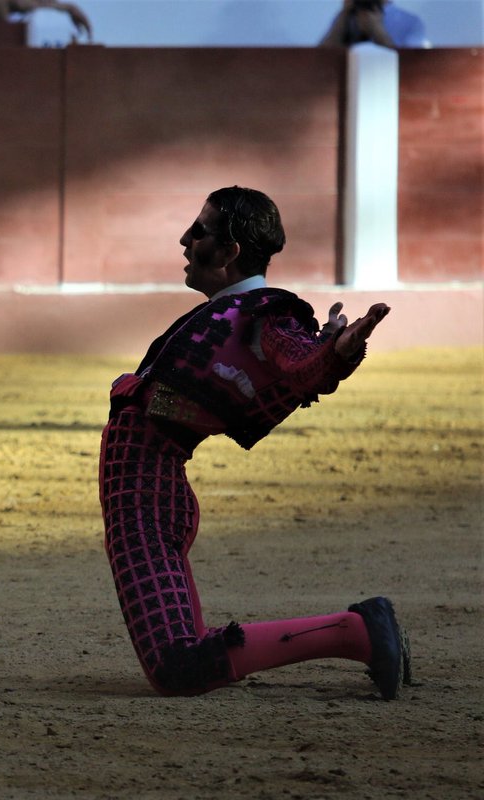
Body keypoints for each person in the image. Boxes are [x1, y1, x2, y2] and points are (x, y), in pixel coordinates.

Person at [99, 186, 412, 699]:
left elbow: (302, 362)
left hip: (144, 497)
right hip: (152, 493)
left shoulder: (264, 315)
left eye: (198, 231)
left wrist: (336, 352)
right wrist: (328, 352)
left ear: (228, 253)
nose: (184, 239)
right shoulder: (243, 311)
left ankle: (357, 632)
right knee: (183, 653)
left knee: (179, 665)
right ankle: (357, 632)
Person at [319, 0, 430, 49]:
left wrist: (378, 32)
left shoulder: (411, 22)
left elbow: (412, 67)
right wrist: (342, 18)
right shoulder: (345, 17)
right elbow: (320, 60)